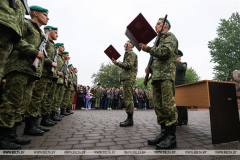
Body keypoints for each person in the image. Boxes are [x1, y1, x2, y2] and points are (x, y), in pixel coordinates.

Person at [0, 5, 48, 149]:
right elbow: (16, 39)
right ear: (35, 13)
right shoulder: (26, 24)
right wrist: (33, 51)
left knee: (22, 103)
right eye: (45, 14)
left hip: (30, 71)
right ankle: (3, 136)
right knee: (11, 102)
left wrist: (37, 72)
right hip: (18, 67)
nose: (47, 17)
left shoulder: (39, 32)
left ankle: (12, 134)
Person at [140, 17, 178, 149]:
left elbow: (166, 53)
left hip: (166, 76)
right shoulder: (158, 40)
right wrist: (149, 70)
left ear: (165, 25)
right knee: (158, 106)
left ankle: (171, 137)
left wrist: (148, 48)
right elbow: (156, 58)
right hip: (156, 77)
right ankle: (163, 133)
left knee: (168, 105)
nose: (155, 26)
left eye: (158, 24)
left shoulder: (169, 37)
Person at [112, 40, 138, 127]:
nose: (124, 45)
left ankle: (130, 119)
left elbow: (128, 65)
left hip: (128, 78)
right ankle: (129, 118)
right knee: (127, 97)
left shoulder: (131, 54)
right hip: (127, 78)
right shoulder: (128, 54)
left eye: (126, 44)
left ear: (130, 45)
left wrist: (117, 63)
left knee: (128, 98)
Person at [52, 43, 66, 117]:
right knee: (53, 98)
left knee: (58, 98)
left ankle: (55, 113)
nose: (64, 48)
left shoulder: (60, 57)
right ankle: (51, 115)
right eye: (62, 46)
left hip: (60, 80)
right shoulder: (55, 55)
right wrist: (56, 73)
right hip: (54, 78)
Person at [175, 50, 188, 125]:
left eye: (178, 56)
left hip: (181, 85)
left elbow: (182, 69)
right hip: (174, 85)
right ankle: (178, 119)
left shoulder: (183, 64)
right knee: (176, 103)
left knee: (183, 103)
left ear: (179, 57)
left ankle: (184, 120)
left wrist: (177, 62)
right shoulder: (173, 64)